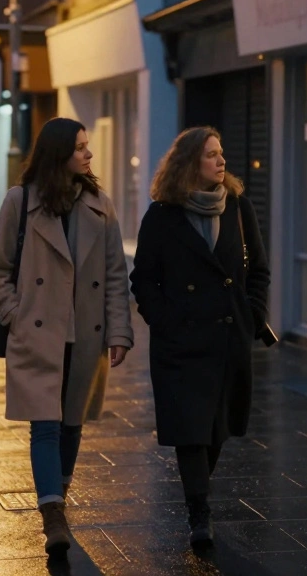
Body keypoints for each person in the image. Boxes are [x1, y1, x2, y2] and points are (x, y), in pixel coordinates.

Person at [0, 117, 134, 558]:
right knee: (44, 427)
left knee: (71, 427)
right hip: (38, 335)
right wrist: (17, 316)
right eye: (81, 148)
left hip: (85, 337)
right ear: (59, 153)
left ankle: (58, 498)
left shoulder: (100, 205)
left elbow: (114, 276)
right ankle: (53, 516)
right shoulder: (20, 202)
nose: (89, 155)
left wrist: (119, 330)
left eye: (88, 147)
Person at [130, 126, 270, 550]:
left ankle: (197, 495)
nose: (221, 160)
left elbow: (258, 269)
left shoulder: (238, 207)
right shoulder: (162, 215)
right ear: (190, 163)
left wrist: (253, 314)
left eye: (222, 153)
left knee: (215, 430)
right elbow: (144, 279)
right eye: (211, 154)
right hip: (181, 342)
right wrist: (165, 320)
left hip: (228, 338)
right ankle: (199, 513)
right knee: (191, 429)